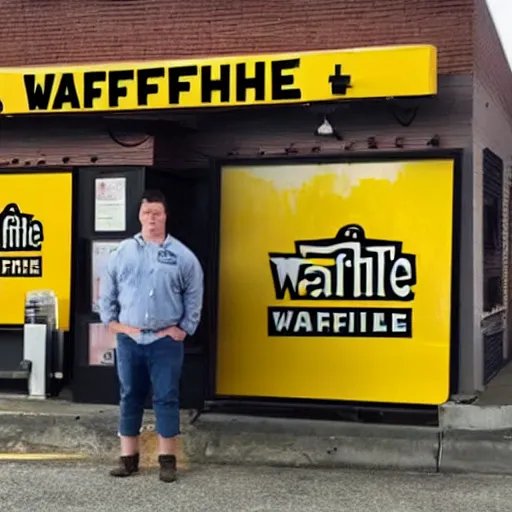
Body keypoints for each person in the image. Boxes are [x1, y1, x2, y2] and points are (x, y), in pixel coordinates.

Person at [99, 189, 204, 482]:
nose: (152, 219)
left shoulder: (183, 256)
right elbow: (107, 292)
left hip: (165, 341)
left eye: (157, 213)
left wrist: (183, 329)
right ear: (139, 216)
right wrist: (113, 324)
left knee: (166, 397)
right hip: (129, 339)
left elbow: (194, 295)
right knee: (129, 395)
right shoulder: (122, 252)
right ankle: (128, 459)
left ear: (165, 216)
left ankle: (167, 461)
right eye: (147, 213)